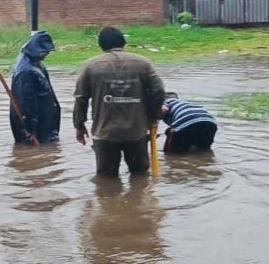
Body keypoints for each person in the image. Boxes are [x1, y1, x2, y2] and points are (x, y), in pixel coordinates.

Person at [74, 27, 165, 177]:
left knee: (106, 181)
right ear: (124, 42)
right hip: (136, 131)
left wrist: (79, 125)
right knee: (140, 177)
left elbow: (81, 98)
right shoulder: (143, 63)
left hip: (105, 133)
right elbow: (159, 90)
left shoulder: (90, 66)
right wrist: (154, 115)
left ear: (101, 45)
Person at [10, 31, 61, 145]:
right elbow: (26, 104)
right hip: (36, 127)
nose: (47, 54)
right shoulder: (25, 71)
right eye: (46, 51)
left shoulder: (36, 63)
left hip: (45, 121)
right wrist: (30, 129)